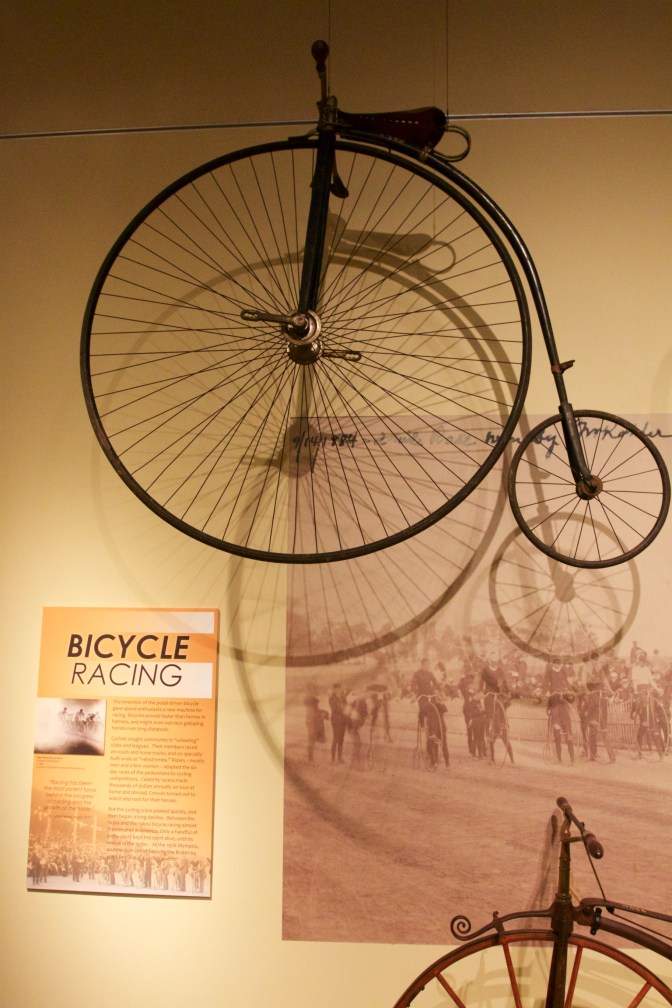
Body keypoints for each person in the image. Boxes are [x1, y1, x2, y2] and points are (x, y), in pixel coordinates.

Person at [544, 660, 575, 764]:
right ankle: (559, 759)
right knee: (557, 735)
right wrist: (547, 691)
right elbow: (546, 682)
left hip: (562, 694)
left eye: (558, 664)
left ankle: (572, 760)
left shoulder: (563, 671)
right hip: (554, 694)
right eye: (555, 664)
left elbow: (566, 682)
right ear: (553, 664)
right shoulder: (549, 671)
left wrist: (569, 690)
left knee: (568, 735)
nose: (557, 665)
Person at [328, 682, 346, 763]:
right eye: (338, 688)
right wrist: (344, 709)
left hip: (343, 720)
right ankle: (333, 759)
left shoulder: (342, 698)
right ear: (334, 690)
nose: (339, 690)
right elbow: (335, 709)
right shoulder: (332, 699)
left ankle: (339, 758)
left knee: (341, 739)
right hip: (336, 720)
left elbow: (347, 705)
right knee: (336, 739)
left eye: (340, 688)